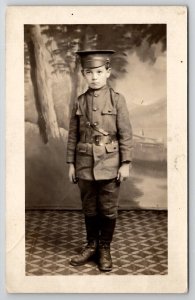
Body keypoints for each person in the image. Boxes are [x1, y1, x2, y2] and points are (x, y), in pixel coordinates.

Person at [66, 50, 133, 272]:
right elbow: (73, 135)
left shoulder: (117, 99)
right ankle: (91, 245)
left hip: (110, 162)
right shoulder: (80, 101)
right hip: (84, 163)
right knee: (89, 207)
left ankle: (104, 248)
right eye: (89, 72)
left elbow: (125, 134)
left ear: (107, 72)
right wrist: (71, 163)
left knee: (108, 208)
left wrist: (126, 163)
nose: (94, 77)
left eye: (98, 72)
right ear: (83, 74)